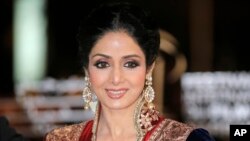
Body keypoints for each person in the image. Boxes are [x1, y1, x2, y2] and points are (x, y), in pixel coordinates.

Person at [45, 2, 215, 141]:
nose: (116, 78)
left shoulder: (187, 139)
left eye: (130, 64)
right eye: (102, 64)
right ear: (86, 69)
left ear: (149, 68)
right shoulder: (61, 139)